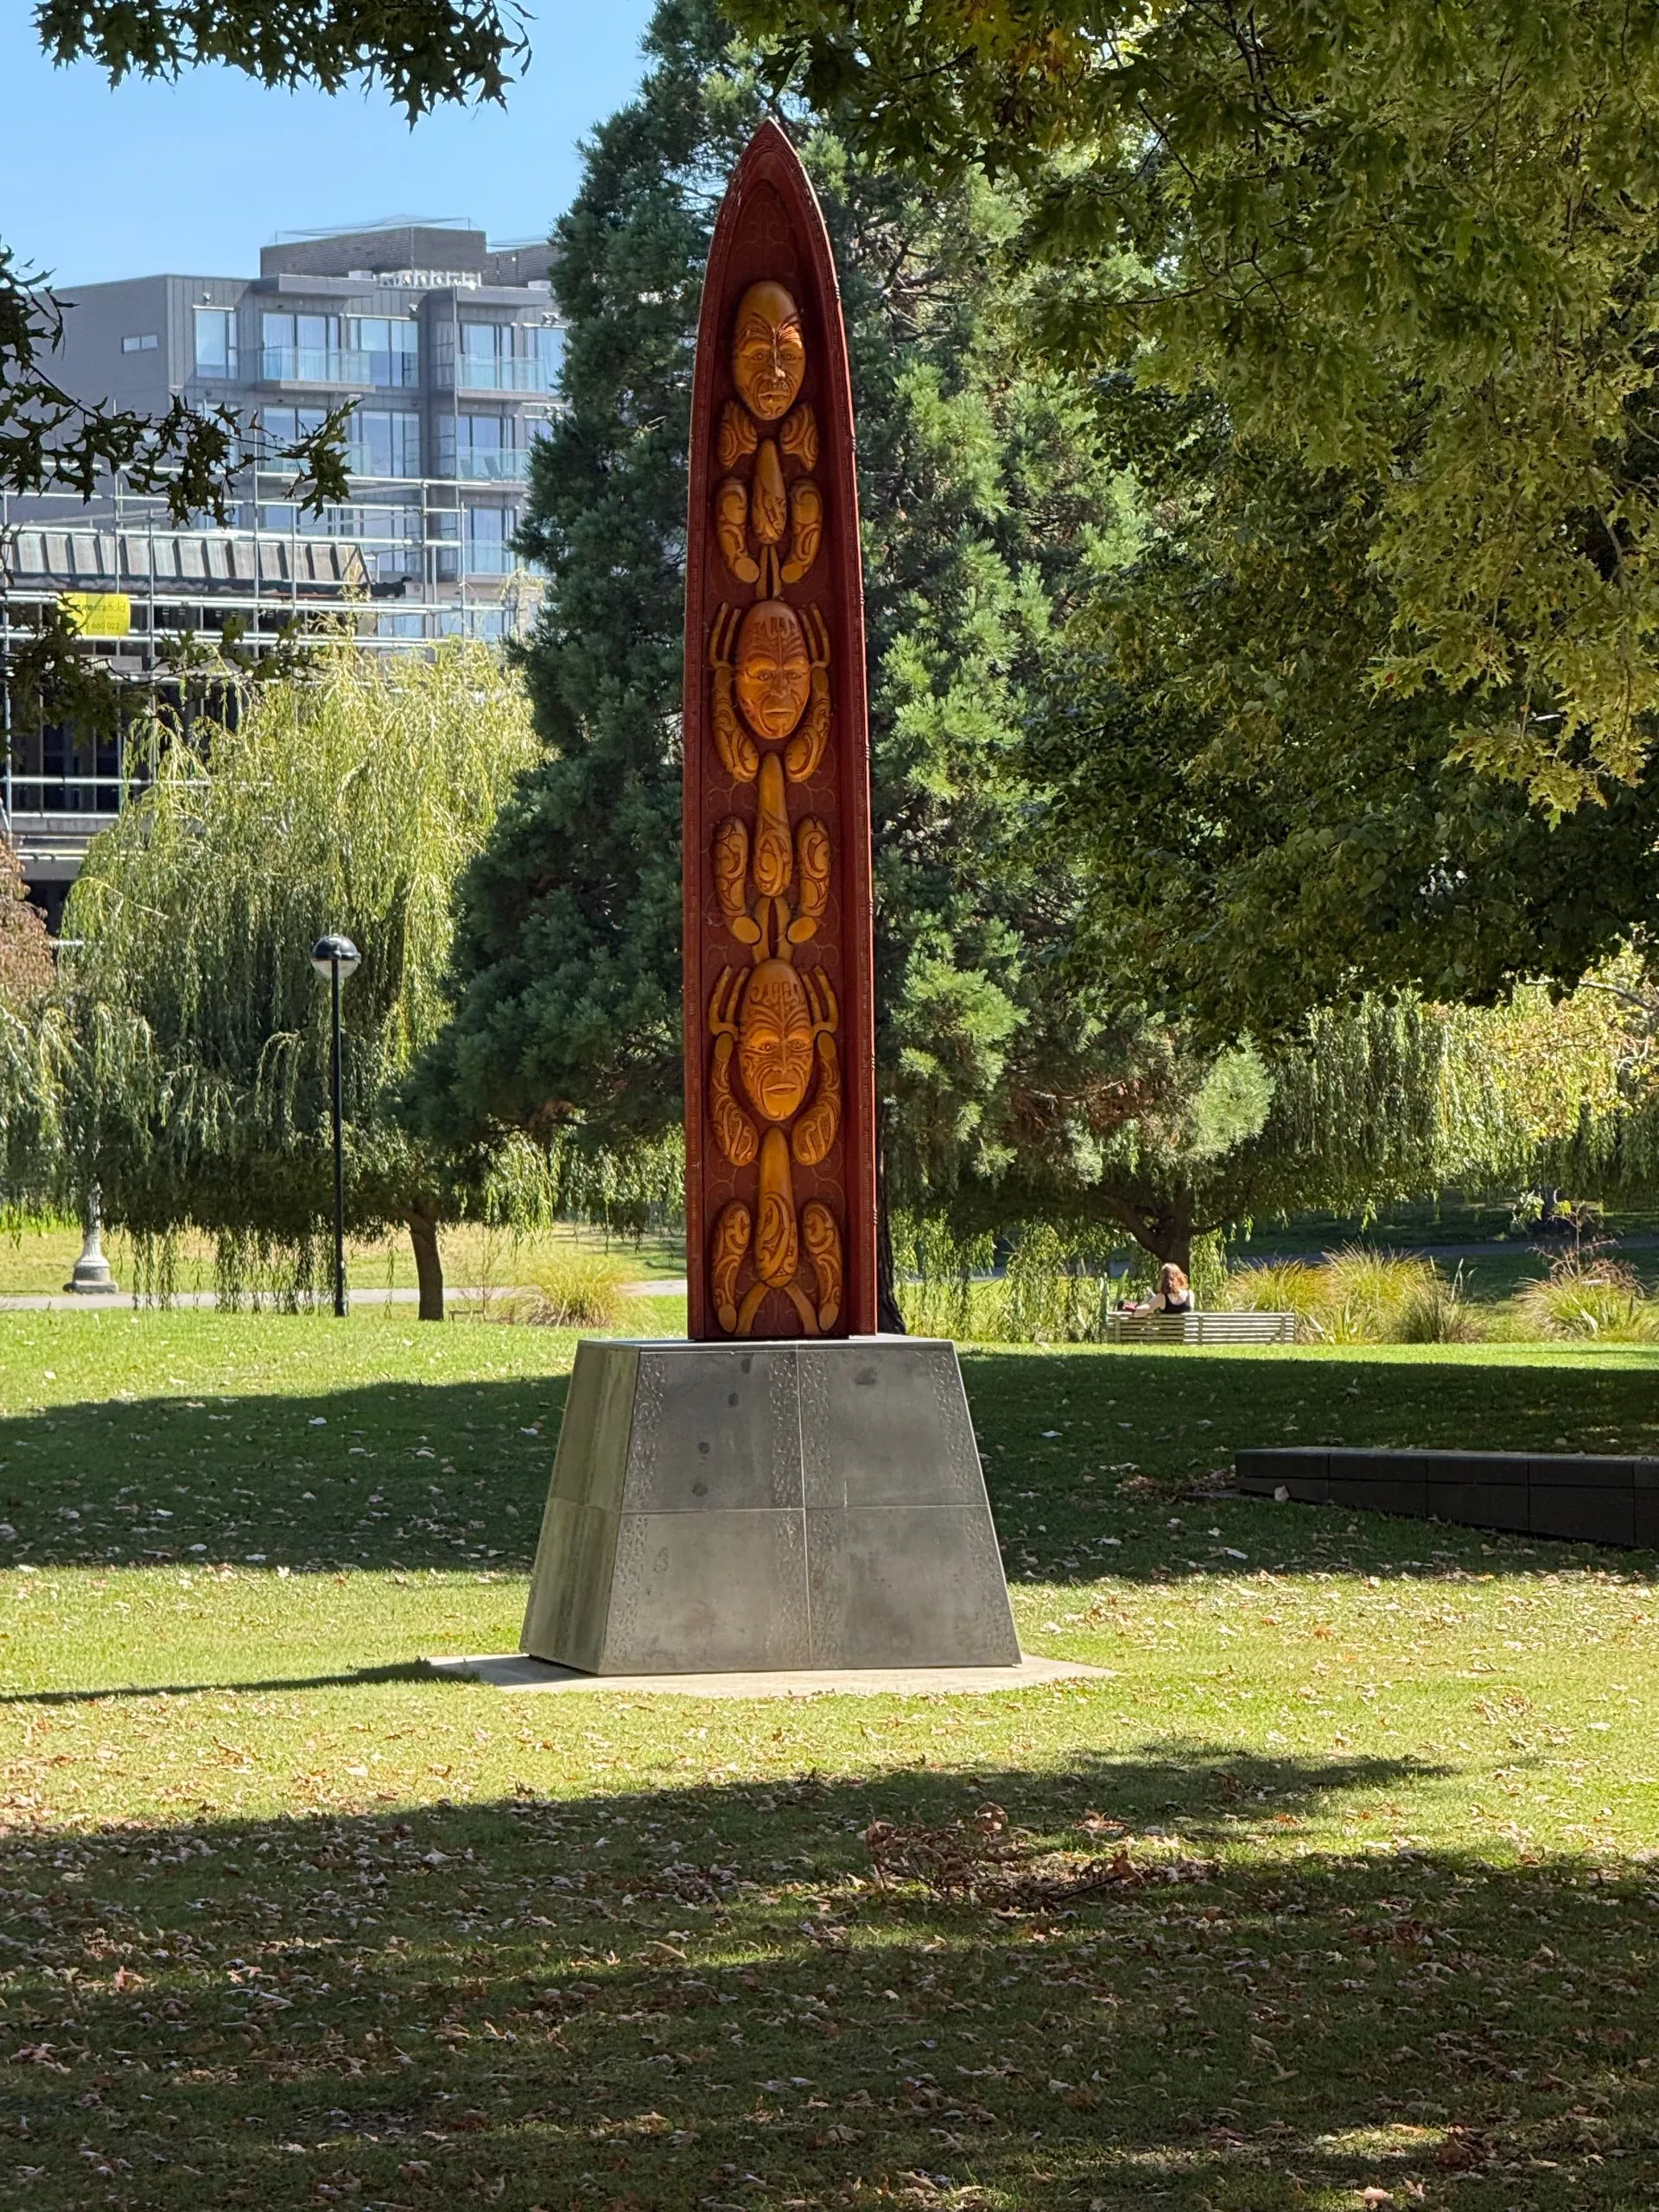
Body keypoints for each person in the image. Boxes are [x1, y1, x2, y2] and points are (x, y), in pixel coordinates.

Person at [1127, 1262, 1194, 1316]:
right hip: (1186, 1333)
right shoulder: (1190, 1295)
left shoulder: (1162, 1298)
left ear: (1164, 1280)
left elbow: (1141, 1312)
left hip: (1166, 1333)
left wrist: (1133, 1308)